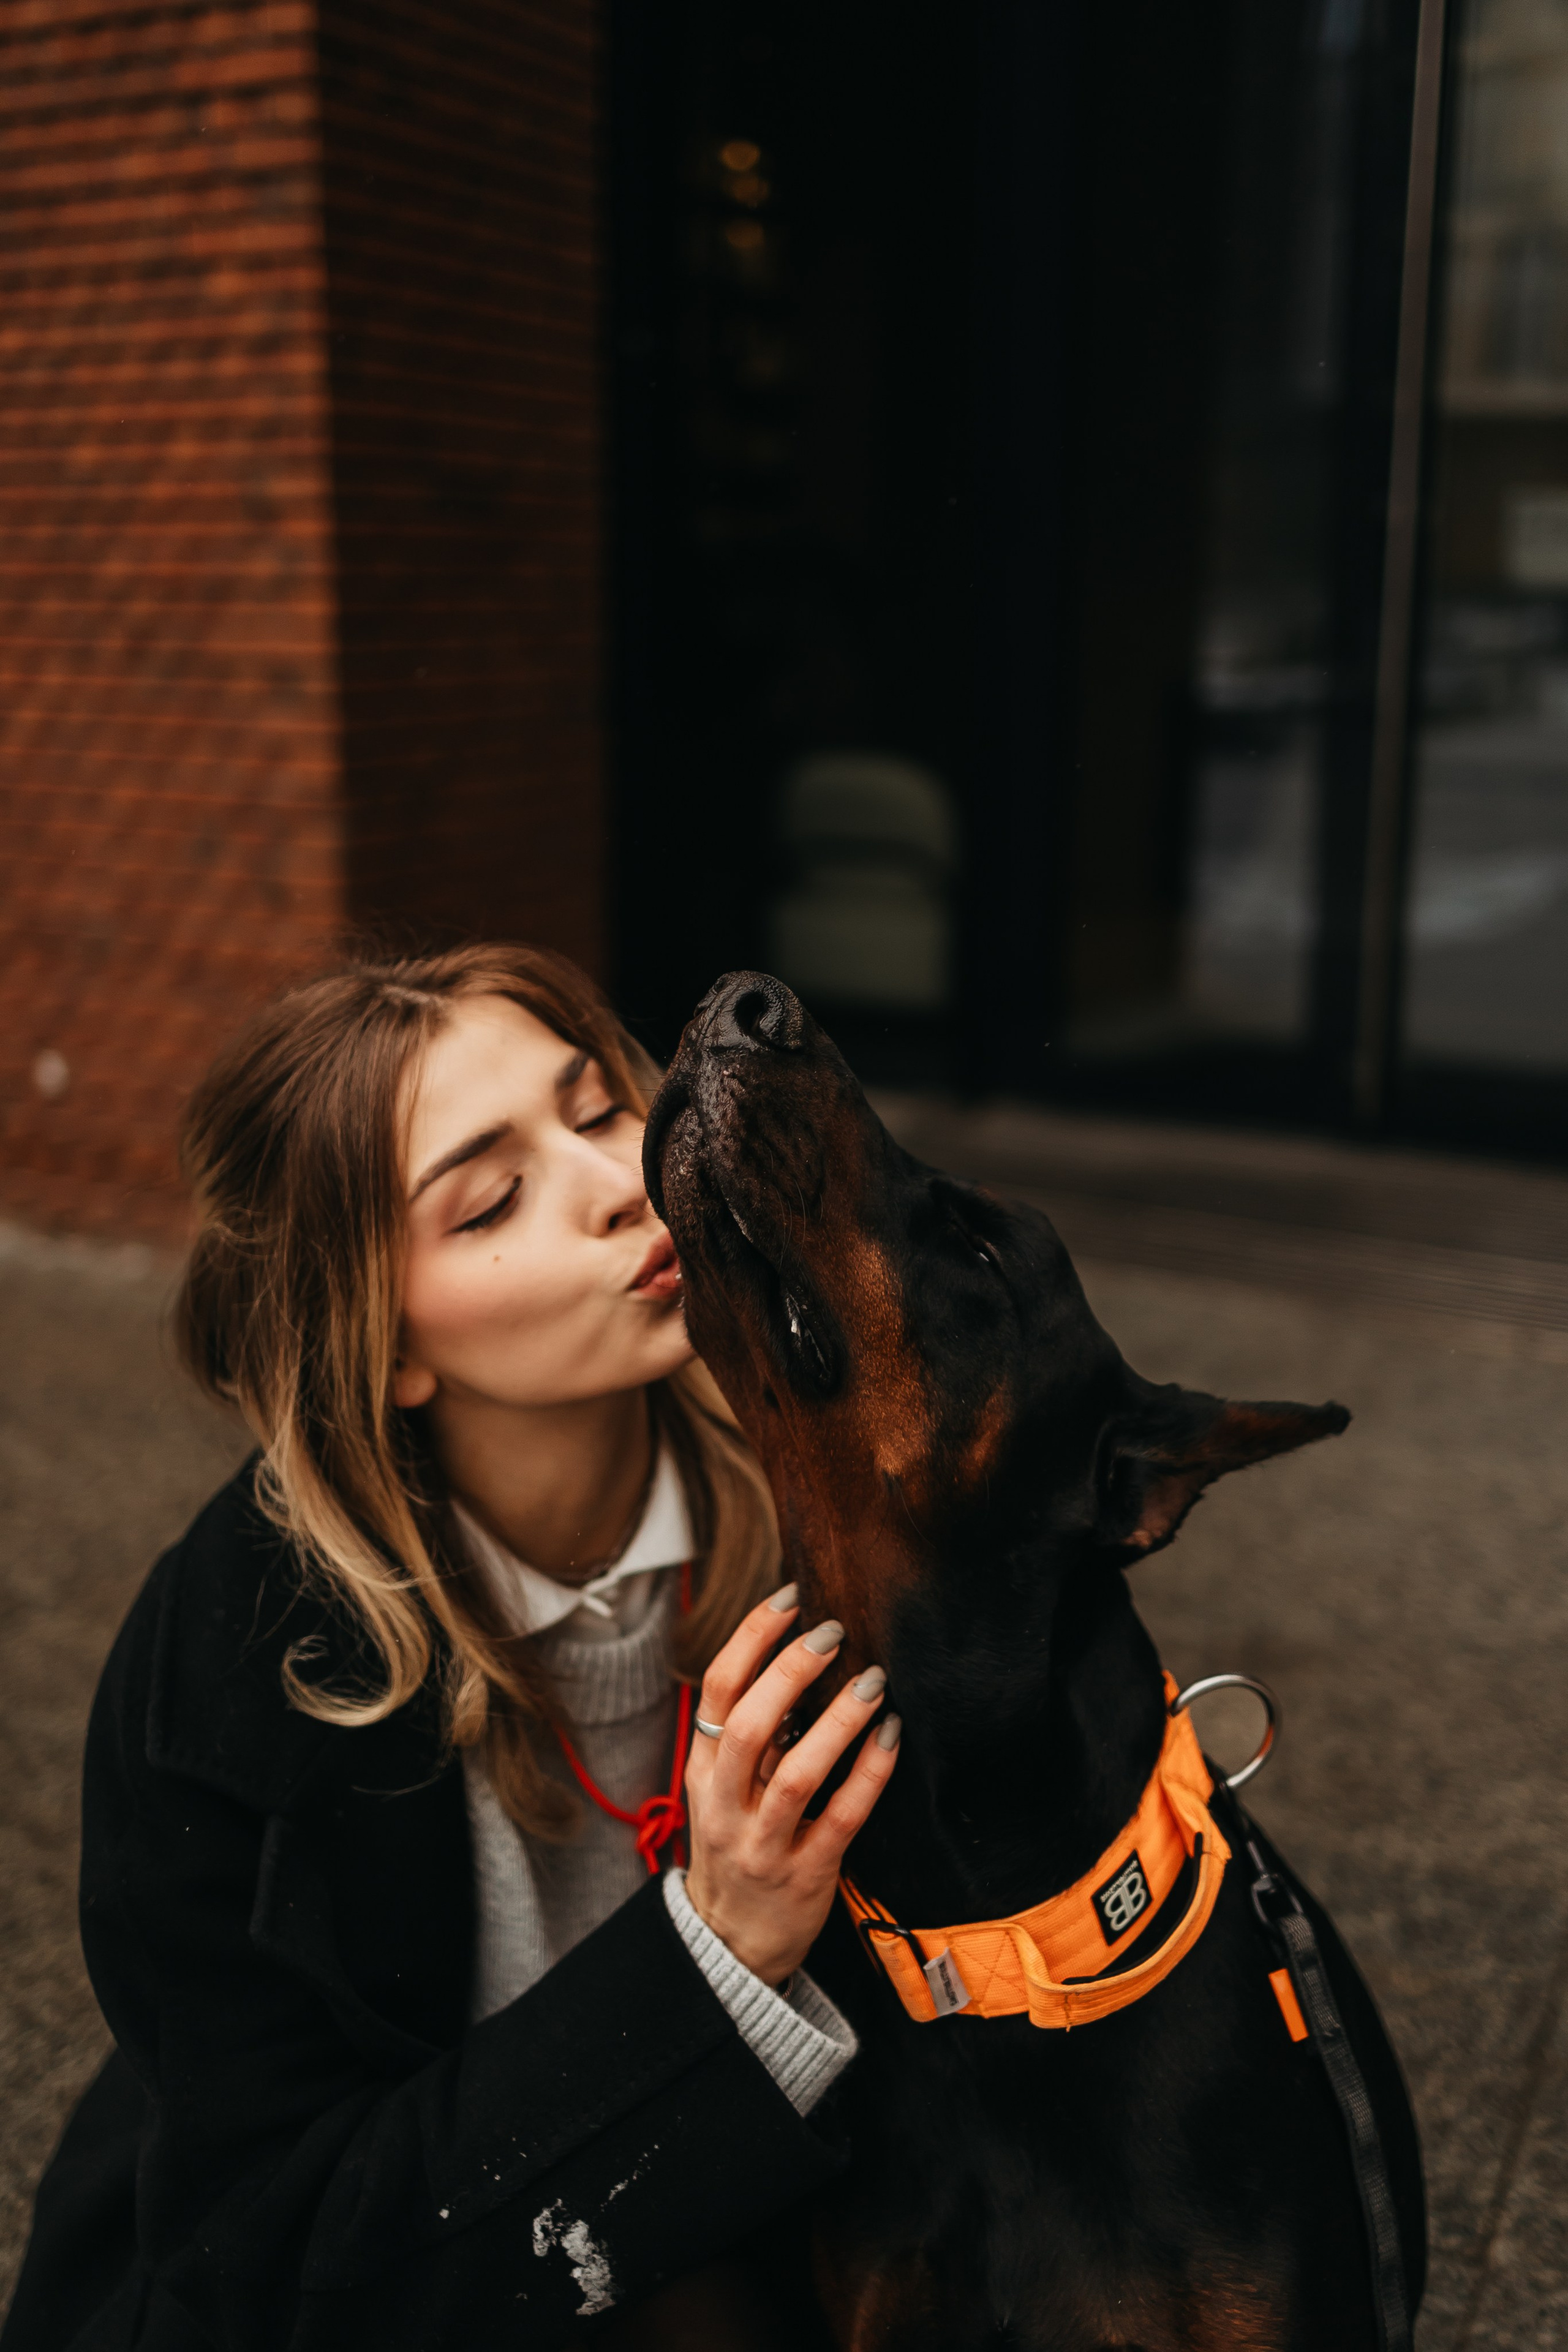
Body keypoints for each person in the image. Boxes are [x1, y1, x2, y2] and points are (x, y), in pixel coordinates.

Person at [1, 944, 901, 2351]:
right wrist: (714, 1954)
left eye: (600, 1111)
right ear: (385, 1345)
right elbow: (287, 2253)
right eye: (490, 1200)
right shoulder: (238, 1662)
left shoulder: (832, 1513)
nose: (622, 1186)